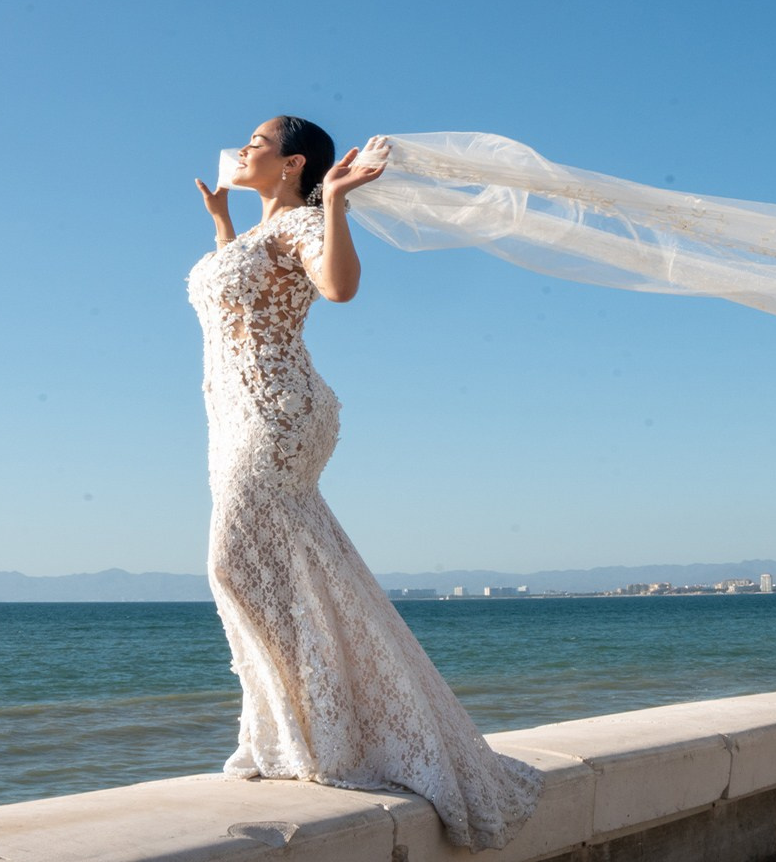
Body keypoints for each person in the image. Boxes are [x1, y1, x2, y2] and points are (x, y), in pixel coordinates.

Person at [188, 115, 540, 851]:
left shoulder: (304, 226)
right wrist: (223, 226)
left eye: (256, 142)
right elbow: (237, 301)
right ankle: (306, 734)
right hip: (230, 416)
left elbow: (338, 289)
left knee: (233, 561)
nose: (240, 148)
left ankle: (330, 732)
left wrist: (337, 203)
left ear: (291, 165)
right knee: (286, 564)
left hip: (277, 412)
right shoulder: (255, 234)